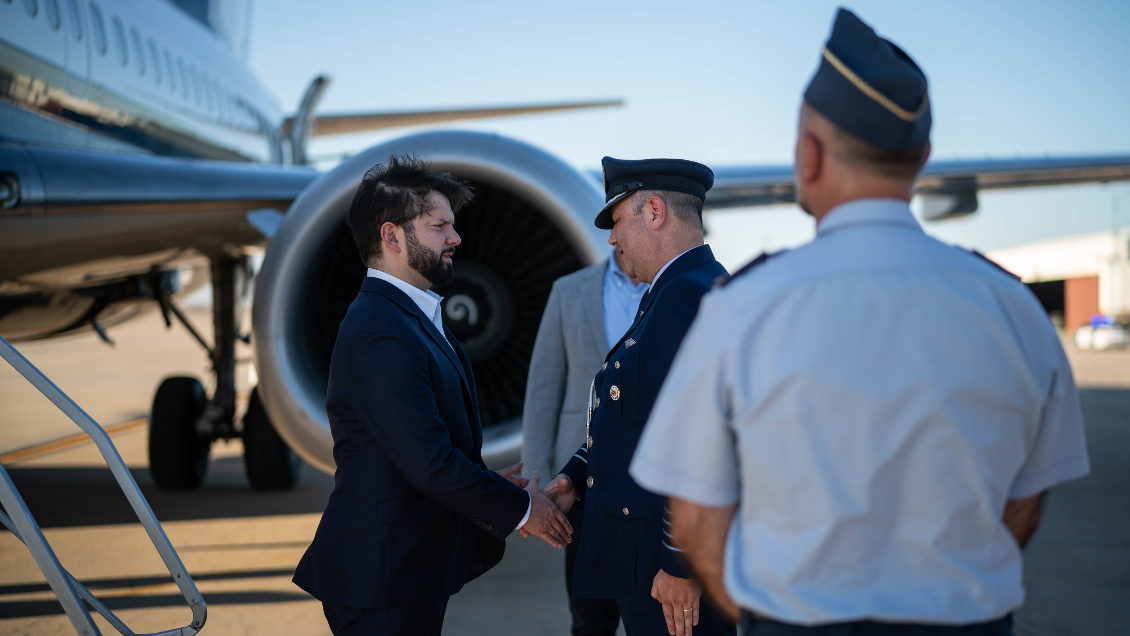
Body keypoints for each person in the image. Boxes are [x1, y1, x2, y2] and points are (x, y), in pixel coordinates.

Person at [629, 8, 1091, 636]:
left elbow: (694, 514)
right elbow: (1027, 499)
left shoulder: (743, 308)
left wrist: (769, 614)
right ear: (923, 156)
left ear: (809, 156)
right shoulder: (1011, 306)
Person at [292, 155, 573, 636]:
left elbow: (416, 451)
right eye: (439, 225)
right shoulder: (381, 329)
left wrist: (492, 485)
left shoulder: (405, 318)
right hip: (381, 578)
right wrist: (524, 509)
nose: (455, 238)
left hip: (404, 570)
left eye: (452, 225)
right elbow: (428, 462)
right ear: (392, 236)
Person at [541, 157, 734, 636]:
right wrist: (576, 473)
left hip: (666, 571)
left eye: (618, 220)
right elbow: (644, 417)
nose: (611, 238)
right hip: (641, 558)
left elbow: (703, 440)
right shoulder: (674, 291)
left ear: (654, 211)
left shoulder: (684, 297)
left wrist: (680, 563)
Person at [522, 246, 647, 636]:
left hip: (649, 480)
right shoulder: (568, 290)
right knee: (590, 617)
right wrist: (535, 488)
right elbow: (544, 390)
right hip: (577, 484)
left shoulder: (668, 291)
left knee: (652, 612)